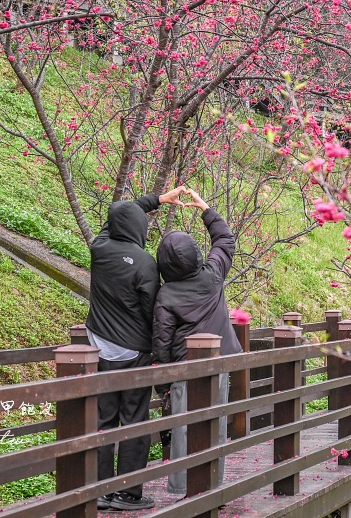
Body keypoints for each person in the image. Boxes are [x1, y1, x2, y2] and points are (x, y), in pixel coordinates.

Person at [85, 186, 186, 511]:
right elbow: (150, 312)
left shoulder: (98, 247)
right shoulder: (145, 263)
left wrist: (156, 200)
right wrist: (160, 351)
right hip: (132, 353)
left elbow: (118, 214)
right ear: (138, 228)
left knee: (103, 420)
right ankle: (127, 494)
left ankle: (100, 491)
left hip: (98, 347)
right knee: (134, 420)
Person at [152, 189, 241, 497]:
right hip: (218, 364)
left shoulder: (166, 295)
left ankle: (180, 487)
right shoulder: (213, 274)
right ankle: (213, 483)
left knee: (182, 427)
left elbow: (162, 339)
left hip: (183, 369)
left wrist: (161, 379)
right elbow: (225, 240)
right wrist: (205, 208)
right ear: (195, 255)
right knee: (216, 423)